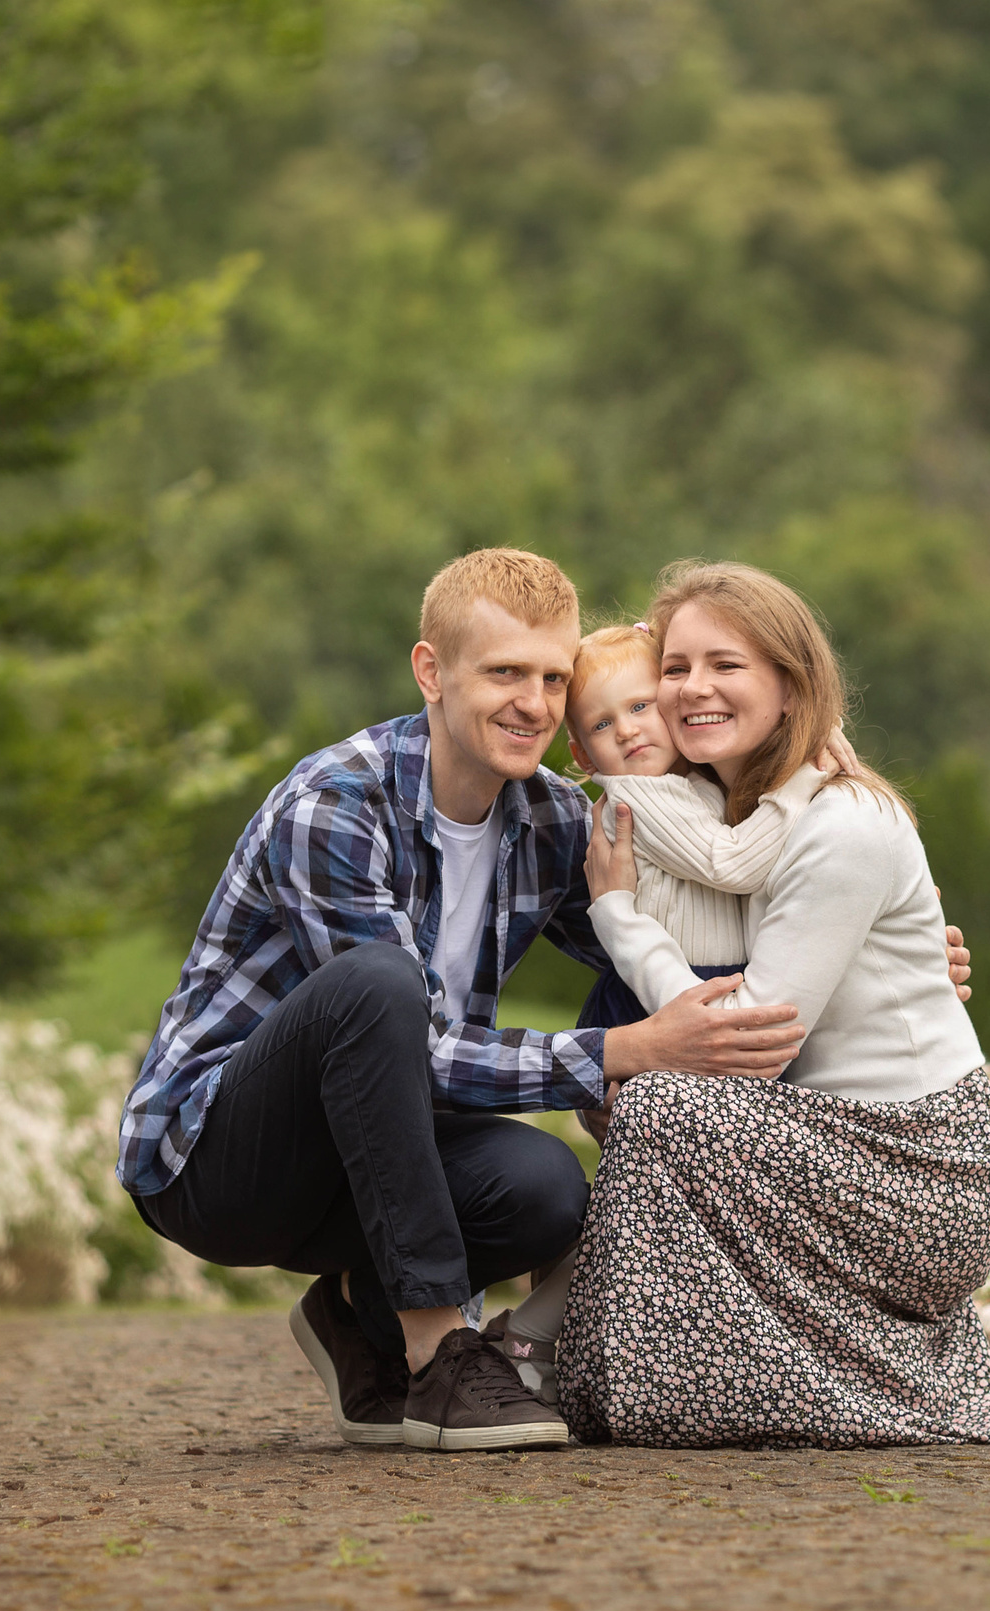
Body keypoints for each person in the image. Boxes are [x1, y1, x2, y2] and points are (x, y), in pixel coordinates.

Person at [116, 548, 816, 1453]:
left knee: (545, 1190)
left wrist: (865, 950)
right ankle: (439, 1354)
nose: (534, 703)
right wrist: (621, 1053)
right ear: (432, 671)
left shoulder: (551, 818)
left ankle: (361, 1316)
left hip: (371, 1157)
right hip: (220, 1161)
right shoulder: (336, 802)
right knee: (379, 984)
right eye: (504, 673)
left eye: (553, 678)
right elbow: (409, 1045)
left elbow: (676, 946)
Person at [557, 560, 990, 1450]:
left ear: (791, 686)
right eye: (675, 667)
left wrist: (618, 918)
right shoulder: (735, 814)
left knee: (660, 1107)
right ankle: (630, 1364)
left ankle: (601, 1364)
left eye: (726, 664)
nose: (692, 688)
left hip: (920, 1171)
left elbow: (747, 1044)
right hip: (829, 1135)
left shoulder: (841, 821)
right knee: (648, 1103)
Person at [479, 620, 830, 1401]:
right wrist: (808, 778)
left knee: (656, 1197)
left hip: (693, 988)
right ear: (582, 755)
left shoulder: (697, 788)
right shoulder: (642, 796)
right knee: (657, 1199)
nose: (630, 731)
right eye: (604, 724)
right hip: (664, 1005)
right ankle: (533, 1334)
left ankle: (563, 1337)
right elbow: (733, 862)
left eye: (641, 706)